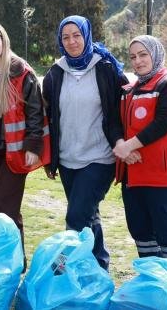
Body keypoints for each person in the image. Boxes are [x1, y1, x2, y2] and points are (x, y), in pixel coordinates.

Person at [42, 15, 128, 271]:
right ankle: (99, 266)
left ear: (87, 35)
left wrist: (123, 144)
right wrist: (51, 158)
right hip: (68, 159)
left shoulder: (105, 68)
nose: (72, 42)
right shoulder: (55, 74)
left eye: (77, 35)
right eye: (65, 37)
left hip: (99, 157)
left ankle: (61, 267)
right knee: (89, 215)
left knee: (76, 216)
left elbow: (118, 109)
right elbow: (50, 119)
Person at [113, 35, 167, 271]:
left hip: (161, 178)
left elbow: (165, 122)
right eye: (133, 57)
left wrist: (130, 145)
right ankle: (154, 290)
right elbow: (116, 123)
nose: (138, 61)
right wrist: (122, 147)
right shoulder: (127, 91)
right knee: (142, 236)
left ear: (156, 54)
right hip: (133, 178)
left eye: (143, 54)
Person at [0, 22, 50, 246]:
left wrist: (33, 146)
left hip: (15, 151)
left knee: (2, 209)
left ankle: (1, 259)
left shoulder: (21, 71)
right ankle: (16, 263)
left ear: (4, 41)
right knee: (9, 210)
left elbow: (35, 110)